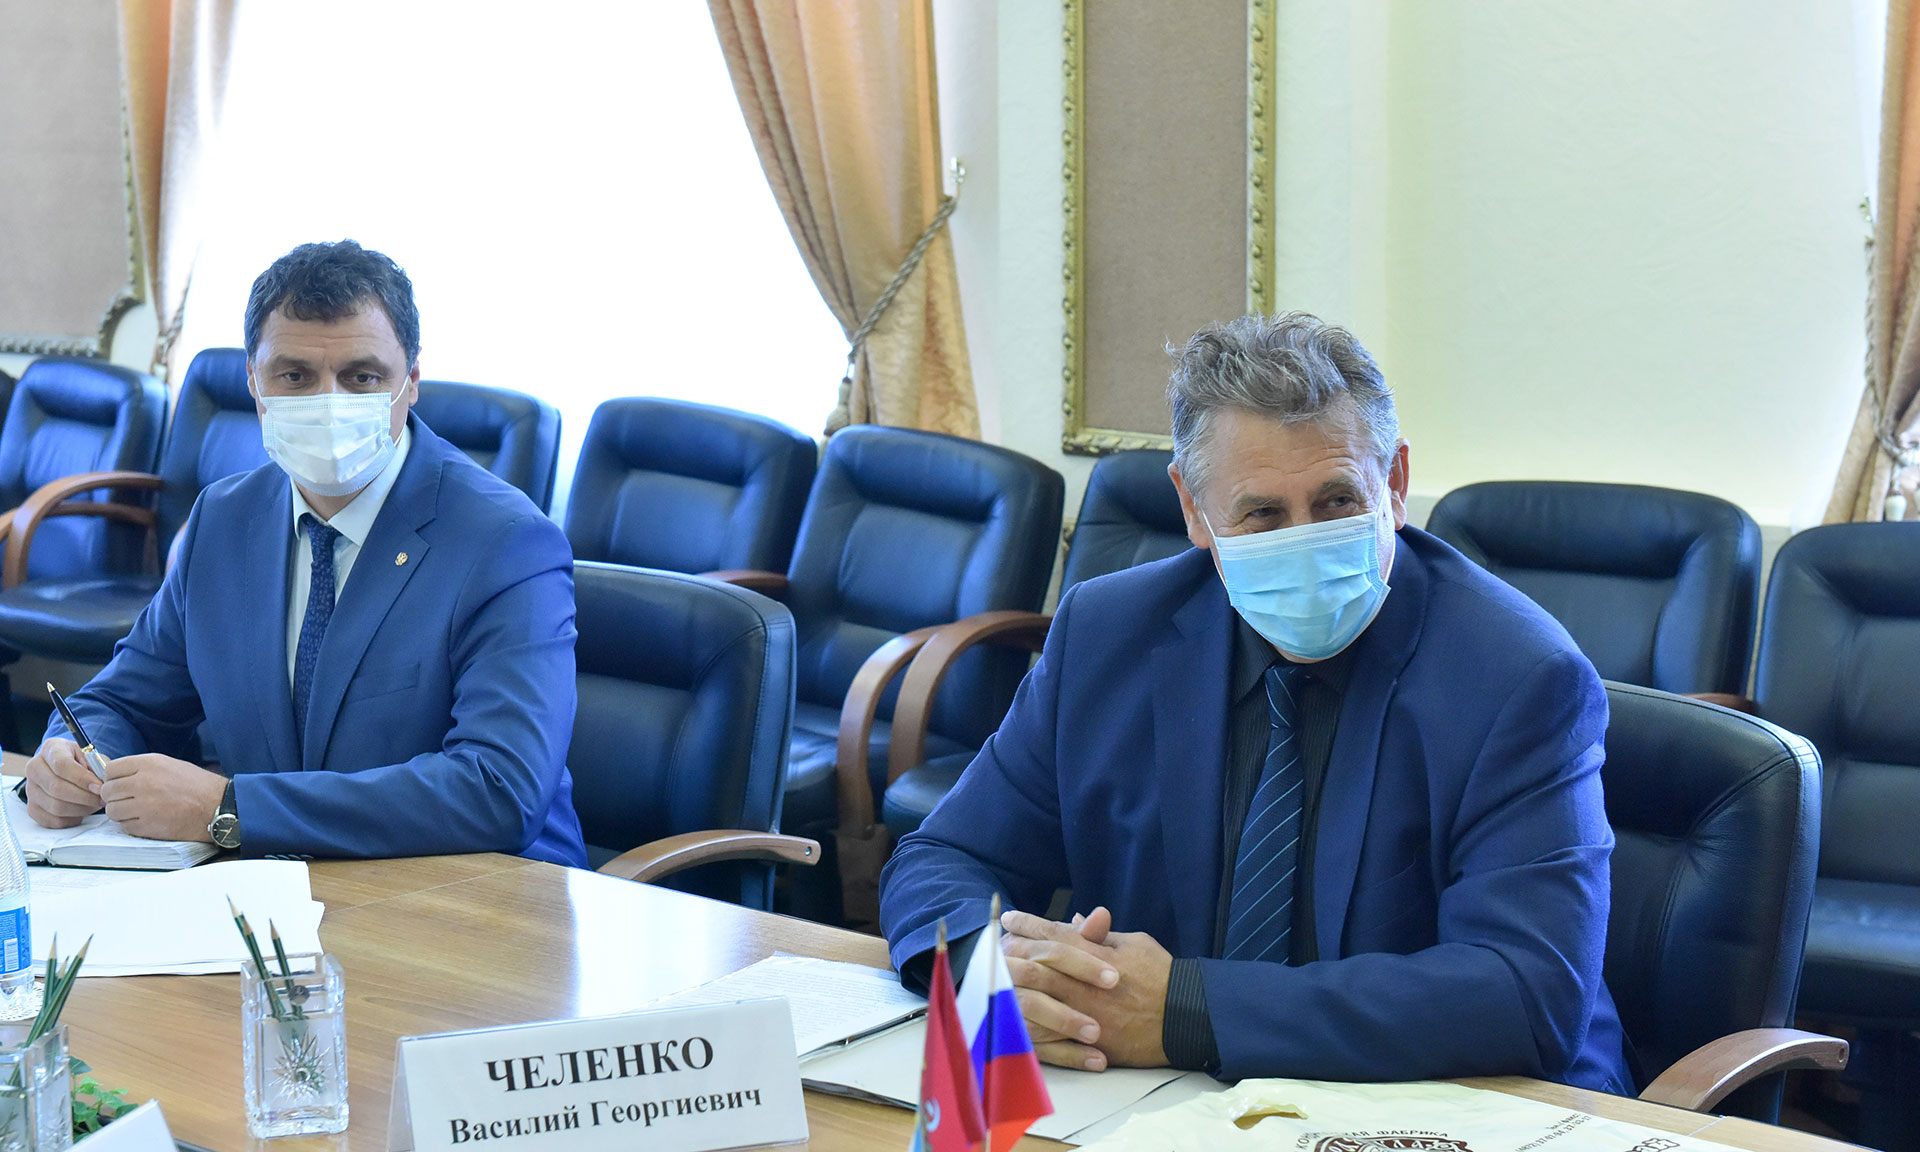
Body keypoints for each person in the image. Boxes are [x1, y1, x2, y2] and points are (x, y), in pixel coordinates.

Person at [879, 312, 1631, 1092]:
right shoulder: (1107, 634)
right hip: (1159, 1097)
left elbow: (1526, 992)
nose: (1304, 540)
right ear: (1193, 509)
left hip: (1453, 1101)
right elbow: (945, 858)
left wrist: (1185, 1011)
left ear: (1396, 484)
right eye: (1263, 514)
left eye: (1337, 502)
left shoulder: (1519, 676)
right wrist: (1000, 975)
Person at [23, 240, 587, 867]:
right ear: (254, 383)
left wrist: (232, 808)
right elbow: (119, 701)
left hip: (483, 892)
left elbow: (500, 787)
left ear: (411, 383)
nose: (328, 404)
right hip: (286, 890)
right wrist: (69, 760)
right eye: (294, 376)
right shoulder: (223, 519)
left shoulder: (506, 542)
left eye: (362, 378)